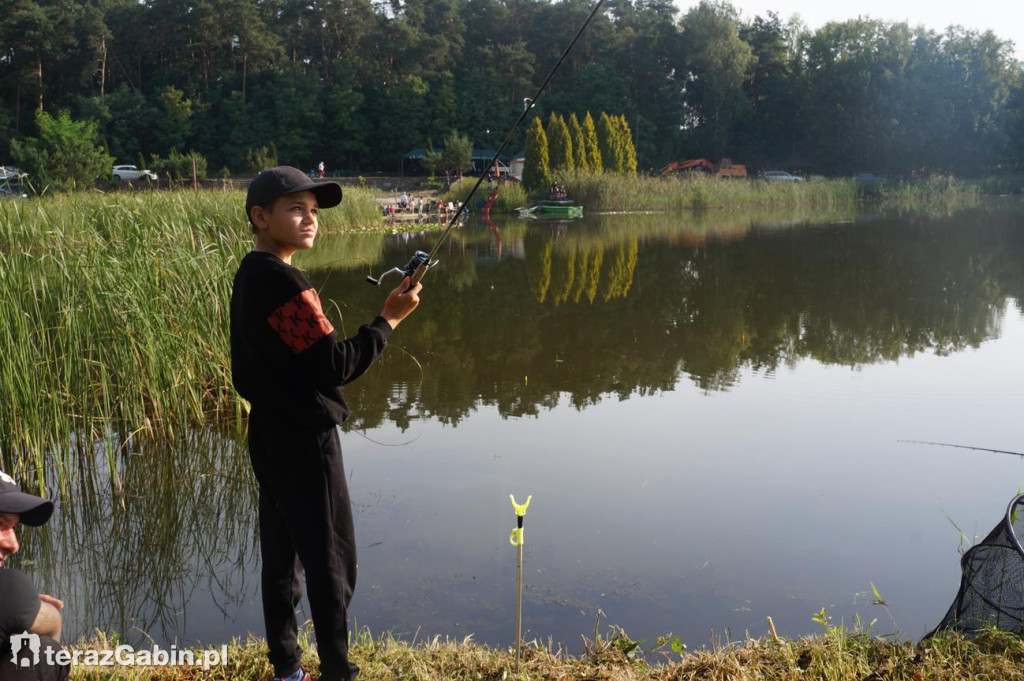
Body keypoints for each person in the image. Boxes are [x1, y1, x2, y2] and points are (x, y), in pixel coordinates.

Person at [231, 166, 421, 681]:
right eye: (295, 209)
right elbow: (335, 365)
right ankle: (337, 671)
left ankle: (288, 668)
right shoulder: (282, 280)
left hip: (268, 432)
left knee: (283, 554)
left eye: (313, 211)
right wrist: (388, 321)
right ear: (260, 216)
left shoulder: (250, 273)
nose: (309, 219)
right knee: (332, 559)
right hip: (304, 439)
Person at [0, 471, 68, 681]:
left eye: (13, 528)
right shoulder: (9, 590)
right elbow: (54, 625)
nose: (14, 545)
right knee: (43, 651)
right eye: (0, 524)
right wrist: (19, 607)